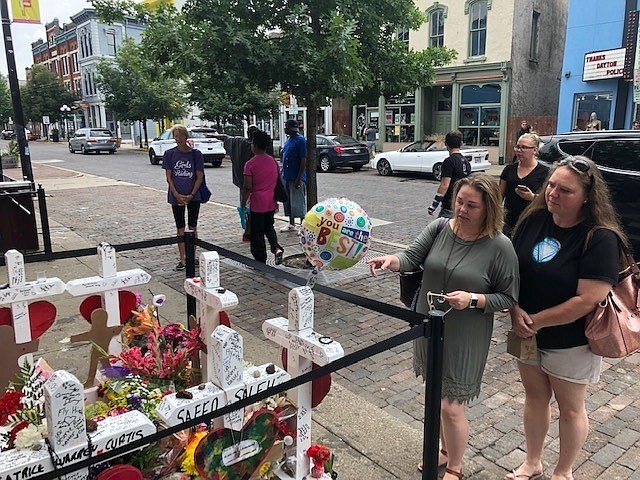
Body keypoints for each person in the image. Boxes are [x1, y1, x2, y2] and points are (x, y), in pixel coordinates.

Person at [368, 174, 519, 480]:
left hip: (466, 333)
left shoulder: (500, 245)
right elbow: (411, 257)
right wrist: (390, 260)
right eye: (459, 202)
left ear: (489, 209)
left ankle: (455, 467)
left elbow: (508, 296)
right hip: (429, 325)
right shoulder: (439, 227)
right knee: (436, 397)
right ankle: (444, 450)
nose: (462, 210)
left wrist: (473, 299)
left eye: (471, 206)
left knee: (451, 407)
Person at [507, 156, 623, 480]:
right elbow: (510, 270)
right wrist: (514, 309)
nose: (553, 194)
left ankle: (563, 471)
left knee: (570, 409)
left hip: (571, 341)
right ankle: (532, 461)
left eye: (565, 190)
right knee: (534, 398)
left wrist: (538, 321)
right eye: (552, 186)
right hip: (523, 330)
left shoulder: (600, 238)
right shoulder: (534, 219)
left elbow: (589, 298)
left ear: (587, 196)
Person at [162, 124, 204, 271]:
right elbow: (169, 177)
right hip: (176, 195)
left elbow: (199, 176)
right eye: (175, 136)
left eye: (180, 135)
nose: (178, 139)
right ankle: (182, 258)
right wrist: (176, 194)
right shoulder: (169, 154)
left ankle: (192, 255)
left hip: (193, 195)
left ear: (186, 137)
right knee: (180, 227)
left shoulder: (196, 154)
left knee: (192, 226)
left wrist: (191, 194)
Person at [241, 130, 284, 264]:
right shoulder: (273, 161)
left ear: (256, 145)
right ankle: (276, 248)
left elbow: (248, 187)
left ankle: (260, 260)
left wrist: (243, 203)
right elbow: (277, 181)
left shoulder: (250, 164)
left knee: (257, 233)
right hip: (271, 202)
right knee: (269, 227)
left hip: (257, 203)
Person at [499, 132, 549, 235]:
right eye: (517, 147)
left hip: (532, 223)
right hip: (508, 223)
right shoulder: (509, 169)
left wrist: (532, 197)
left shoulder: (545, 172)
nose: (519, 151)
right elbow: (499, 196)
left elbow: (548, 199)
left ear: (534, 150)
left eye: (523, 147)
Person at [219, 125, 259, 242]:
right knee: (251, 209)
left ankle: (249, 231)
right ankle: (251, 231)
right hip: (253, 185)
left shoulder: (240, 143)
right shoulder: (243, 143)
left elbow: (226, 138)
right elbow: (226, 138)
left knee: (248, 208)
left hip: (250, 185)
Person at [428, 130, 471, 218]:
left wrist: (434, 205)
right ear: (461, 143)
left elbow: (444, 185)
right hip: (461, 203)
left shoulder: (449, 162)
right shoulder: (466, 162)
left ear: (446, 144)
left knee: (440, 230)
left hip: (449, 205)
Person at [279, 119, 307, 232]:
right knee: (288, 201)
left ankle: (303, 225)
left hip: (296, 177)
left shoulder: (300, 140)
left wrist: (299, 178)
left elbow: (303, 160)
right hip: (286, 175)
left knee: (298, 201)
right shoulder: (288, 140)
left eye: (286, 126)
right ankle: (291, 223)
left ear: (290, 128)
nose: (285, 128)